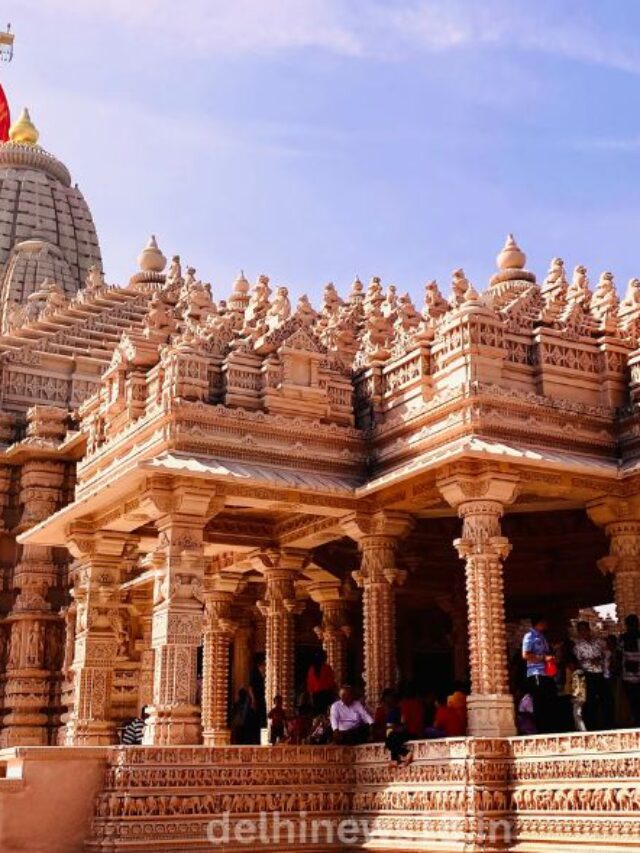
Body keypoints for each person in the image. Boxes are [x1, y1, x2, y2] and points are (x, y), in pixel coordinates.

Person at [573, 620, 613, 730]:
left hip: (601, 674)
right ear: (578, 632)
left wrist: (601, 660)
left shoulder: (599, 642)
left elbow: (608, 653)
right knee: (591, 702)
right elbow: (579, 661)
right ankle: (592, 727)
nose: (583, 632)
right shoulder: (578, 646)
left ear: (589, 629)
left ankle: (609, 725)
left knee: (607, 700)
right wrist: (590, 661)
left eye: (585, 629)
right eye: (581, 630)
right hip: (588, 675)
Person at [522, 615, 557, 733]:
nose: (546, 624)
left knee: (549, 700)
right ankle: (540, 729)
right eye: (544, 622)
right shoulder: (529, 636)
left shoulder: (543, 637)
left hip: (546, 673)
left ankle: (548, 728)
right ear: (539, 622)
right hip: (536, 672)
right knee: (539, 701)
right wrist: (543, 658)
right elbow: (525, 655)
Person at [620, 614, 640, 726]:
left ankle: (635, 721)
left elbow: (618, 655)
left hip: (627, 676)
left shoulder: (622, 638)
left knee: (632, 701)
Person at [306, 649, 336, 715]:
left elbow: (310, 685)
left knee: (318, 713)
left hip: (316, 695)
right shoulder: (327, 668)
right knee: (326, 712)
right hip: (326, 693)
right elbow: (331, 682)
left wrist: (311, 697)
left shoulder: (311, 669)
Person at [248, 652, 267, 740]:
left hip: (261, 698)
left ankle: (261, 738)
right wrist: (253, 699)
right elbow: (251, 687)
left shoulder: (262, 671)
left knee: (262, 718)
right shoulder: (254, 672)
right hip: (256, 699)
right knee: (256, 719)